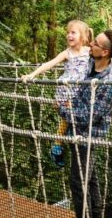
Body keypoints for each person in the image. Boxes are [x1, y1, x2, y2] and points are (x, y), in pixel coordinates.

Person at [58, 30, 112, 218]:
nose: (90, 44)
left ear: (105, 52)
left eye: (95, 43)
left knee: (79, 182)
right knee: (91, 174)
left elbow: (89, 116)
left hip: (89, 134)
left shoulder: (109, 83)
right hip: (78, 132)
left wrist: (63, 109)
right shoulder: (90, 64)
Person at [21, 20, 93, 168]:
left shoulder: (89, 51)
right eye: (68, 32)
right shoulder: (67, 53)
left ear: (84, 36)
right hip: (67, 91)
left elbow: (102, 61)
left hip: (82, 92)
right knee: (67, 118)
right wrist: (32, 75)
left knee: (72, 120)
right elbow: (49, 64)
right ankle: (57, 146)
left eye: (73, 32)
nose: (69, 35)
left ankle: (60, 143)